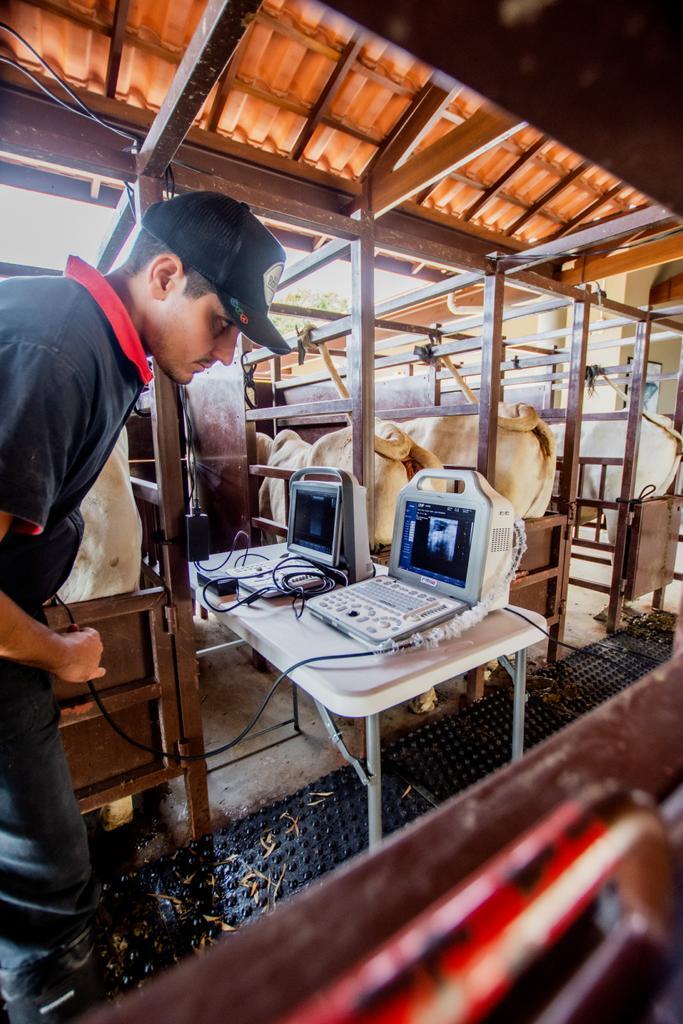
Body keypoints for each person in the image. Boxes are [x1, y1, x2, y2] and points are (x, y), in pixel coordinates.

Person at [0, 191, 289, 1023]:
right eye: (224, 321)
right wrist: (58, 656)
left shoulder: (88, 346)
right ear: (164, 274)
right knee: (47, 889)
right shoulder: (61, 354)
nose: (229, 353)